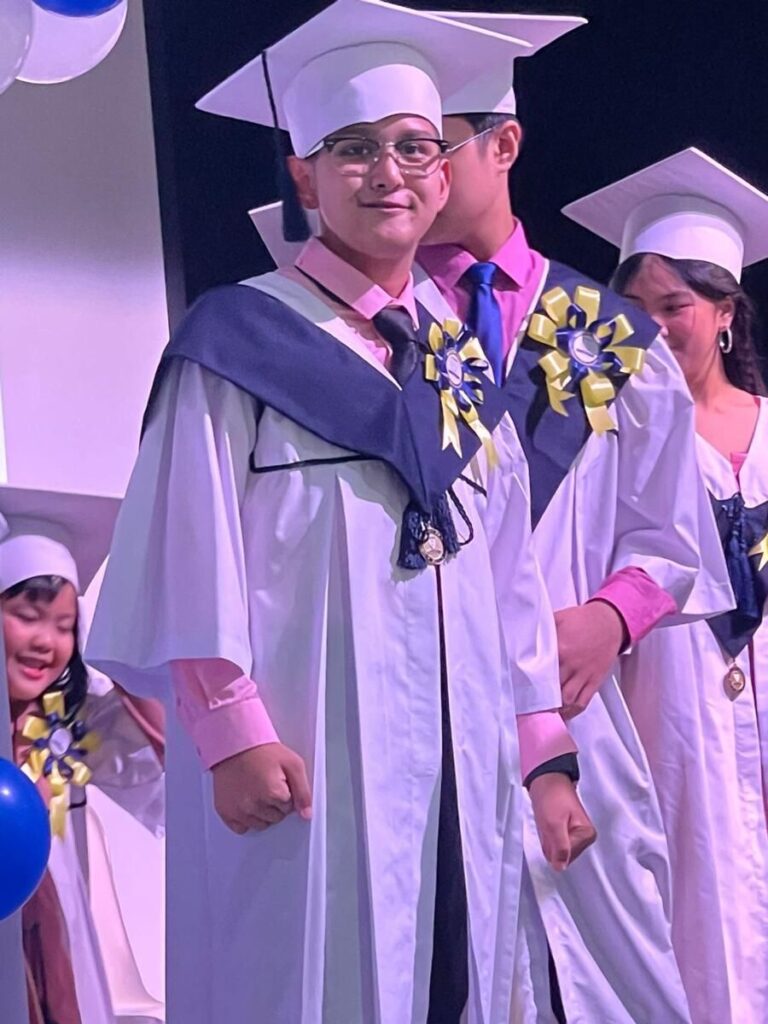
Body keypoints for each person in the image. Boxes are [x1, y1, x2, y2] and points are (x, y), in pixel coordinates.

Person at [86, 3, 596, 1022]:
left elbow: (509, 574)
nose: (387, 172)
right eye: (353, 149)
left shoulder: (458, 363)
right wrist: (229, 730)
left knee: (455, 979)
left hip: (465, 769)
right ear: (305, 178)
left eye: (413, 146)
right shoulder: (237, 340)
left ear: (443, 176)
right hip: (307, 761)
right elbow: (189, 547)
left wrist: (542, 755)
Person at [410, 13, 732, 1023]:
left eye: (432, 145)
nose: (413, 172)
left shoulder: (610, 333)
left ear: (502, 144)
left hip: (579, 707)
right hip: (428, 705)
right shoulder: (383, 327)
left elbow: (669, 536)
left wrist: (611, 617)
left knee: (613, 977)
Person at [564, 145, 768, 1024]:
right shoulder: (607, 447)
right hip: (669, 715)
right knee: (696, 919)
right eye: (634, 309)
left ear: (724, 313)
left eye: (674, 306)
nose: (651, 328)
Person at [0, 485, 165, 1024]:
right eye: (28, 615)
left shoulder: (65, 724)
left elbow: (164, 773)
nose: (47, 641)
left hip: (60, 933)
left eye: (65, 625)